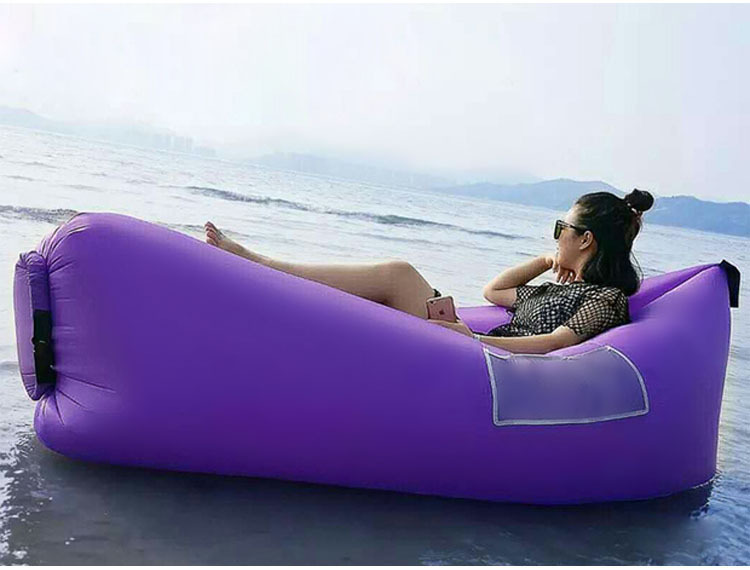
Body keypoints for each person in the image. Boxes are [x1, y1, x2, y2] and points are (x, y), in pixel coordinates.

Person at [204, 188, 654, 354]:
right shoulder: (554, 289)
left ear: (585, 239)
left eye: (560, 230)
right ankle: (266, 276)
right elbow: (495, 291)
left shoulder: (605, 299)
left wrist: (473, 340)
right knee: (396, 277)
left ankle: (263, 266)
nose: (555, 238)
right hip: (468, 343)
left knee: (398, 274)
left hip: (483, 357)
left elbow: (553, 344)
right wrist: (544, 262)